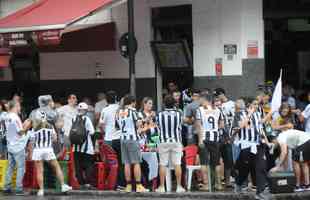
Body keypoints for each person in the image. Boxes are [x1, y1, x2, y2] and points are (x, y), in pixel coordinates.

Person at [29, 110, 72, 196]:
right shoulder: (50, 126)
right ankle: (63, 185)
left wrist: (31, 153)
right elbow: (55, 139)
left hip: (38, 150)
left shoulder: (34, 128)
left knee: (40, 171)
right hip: (48, 149)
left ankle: (41, 190)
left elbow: (32, 142)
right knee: (56, 167)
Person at [234, 99, 270, 200]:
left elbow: (261, 129)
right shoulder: (239, 114)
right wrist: (249, 114)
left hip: (258, 145)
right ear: (248, 105)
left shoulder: (258, 114)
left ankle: (260, 192)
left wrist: (267, 143)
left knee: (261, 167)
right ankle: (239, 183)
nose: (256, 106)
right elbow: (239, 127)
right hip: (246, 145)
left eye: (257, 104)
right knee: (245, 168)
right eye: (254, 104)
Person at [116, 95, 149, 193]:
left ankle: (128, 185)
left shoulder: (119, 112)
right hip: (133, 139)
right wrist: (145, 120)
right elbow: (139, 125)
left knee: (126, 163)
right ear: (133, 102)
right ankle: (139, 185)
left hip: (123, 139)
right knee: (136, 162)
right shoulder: (134, 112)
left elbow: (117, 126)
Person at [155, 95, 186, 193]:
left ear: (164, 103)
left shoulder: (159, 114)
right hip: (176, 141)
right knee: (177, 163)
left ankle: (161, 187)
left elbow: (157, 127)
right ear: (174, 104)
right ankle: (179, 186)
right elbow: (182, 125)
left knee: (162, 164)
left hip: (163, 141)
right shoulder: (179, 114)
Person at [196, 94, 225, 191]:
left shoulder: (200, 109)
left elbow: (199, 125)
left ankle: (207, 184)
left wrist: (200, 139)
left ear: (205, 100)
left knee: (204, 162)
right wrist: (215, 129)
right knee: (216, 162)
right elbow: (222, 124)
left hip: (204, 138)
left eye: (201, 99)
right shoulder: (217, 110)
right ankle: (219, 184)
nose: (200, 101)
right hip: (215, 138)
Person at [3, 100, 32, 196]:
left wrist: (23, 125)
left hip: (9, 145)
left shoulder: (6, 117)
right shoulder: (15, 117)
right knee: (21, 168)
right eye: (19, 106)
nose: (20, 108)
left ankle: (6, 187)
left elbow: (11, 131)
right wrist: (27, 127)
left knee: (10, 167)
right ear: (15, 106)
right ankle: (19, 189)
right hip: (18, 146)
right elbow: (20, 132)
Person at [99, 91, 125, 190]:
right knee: (121, 162)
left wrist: (105, 131)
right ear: (116, 98)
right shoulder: (121, 109)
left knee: (109, 164)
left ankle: (108, 183)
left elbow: (101, 125)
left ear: (106, 99)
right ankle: (121, 185)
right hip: (119, 139)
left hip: (108, 140)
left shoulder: (105, 110)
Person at [72, 103, 96, 190]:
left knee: (78, 165)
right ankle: (88, 183)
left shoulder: (73, 118)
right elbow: (92, 132)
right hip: (87, 148)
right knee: (88, 165)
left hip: (75, 147)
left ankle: (81, 183)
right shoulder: (87, 119)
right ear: (85, 111)